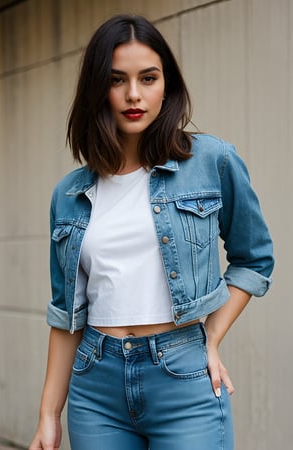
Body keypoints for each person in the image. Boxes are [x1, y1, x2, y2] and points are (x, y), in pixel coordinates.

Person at [29, 14, 274, 450]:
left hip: (183, 375)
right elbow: (67, 314)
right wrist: (48, 414)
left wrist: (210, 339)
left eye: (148, 77)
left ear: (168, 84)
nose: (133, 94)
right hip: (95, 386)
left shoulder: (211, 160)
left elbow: (254, 259)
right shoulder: (68, 194)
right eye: (117, 80)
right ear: (96, 90)